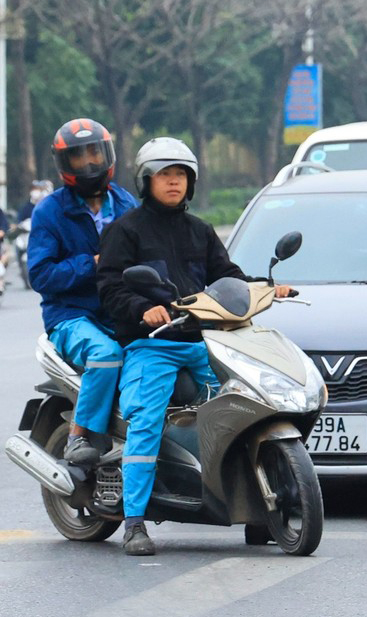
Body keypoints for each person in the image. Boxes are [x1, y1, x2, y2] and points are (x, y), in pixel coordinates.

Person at [97, 137, 291, 556]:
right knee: (146, 421)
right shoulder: (124, 230)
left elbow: (228, 276)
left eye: (181, 175)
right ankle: (134, 522)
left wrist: (267, 287)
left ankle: (259, 510)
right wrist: (143, 308)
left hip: (205, 342)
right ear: (146, 180)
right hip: (153, 346)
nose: (174, 182)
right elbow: (111, 288)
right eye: (165, 175)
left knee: (246, 406)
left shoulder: (200, 230)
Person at [27, 119, 138, 464]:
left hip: (119, 311)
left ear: (108, 154)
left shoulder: (126, 205)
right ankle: (78, 437)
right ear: (65, 164)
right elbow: (41, 275)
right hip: (71, 317)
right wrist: (92, 263)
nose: (90, 164)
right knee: (105, 355)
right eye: (79, 157)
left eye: (95, 153)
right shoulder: (50, 211)